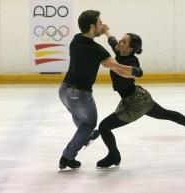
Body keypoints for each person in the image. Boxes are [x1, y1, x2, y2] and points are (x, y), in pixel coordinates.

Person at [96, 25, 185, 168]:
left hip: (136, 103)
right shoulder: (120, 51)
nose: (120, 42)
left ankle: (114, 156)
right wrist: (105, 30)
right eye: (121, 39)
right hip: (137, 98)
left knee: (104, 127)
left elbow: (137, 72)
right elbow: (112, 40)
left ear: (130, 49)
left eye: (124, 42)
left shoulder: (131, 61)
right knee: (166, 114)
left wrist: (113, 65)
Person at [58, 10, 135, 170]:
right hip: (79, 94)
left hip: (64, 91)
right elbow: (117, 68)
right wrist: (133, 71)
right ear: (92, 27)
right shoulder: (98, 50)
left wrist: (107, 32)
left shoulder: (76, 39)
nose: (102, 25)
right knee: (89, 124)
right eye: (100, 23)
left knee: (79, 117)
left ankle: (85, 137)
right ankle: (67, 157)